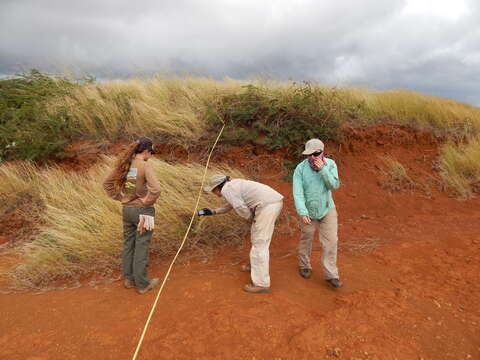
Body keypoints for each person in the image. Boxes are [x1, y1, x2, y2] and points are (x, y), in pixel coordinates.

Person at [199, 175, 283, 294]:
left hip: (267, 207)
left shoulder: (227, 189)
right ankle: (256, 267)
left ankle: (261, 284)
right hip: (269, 204)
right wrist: (213, 211)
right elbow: (232, 205)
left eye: (212, 190)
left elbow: (239, 207)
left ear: (217, 187)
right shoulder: (232, 185)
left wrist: (251, 218)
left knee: (260, 243)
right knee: (257, 239)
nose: (213, 192)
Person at [103, 137, 161, 295]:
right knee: (142, 245)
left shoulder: (125, 164)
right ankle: (142, 284)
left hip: (127, 211)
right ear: (146, 151)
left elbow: (107, 184)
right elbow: (156, 189)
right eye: (151, 152)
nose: (150, 155)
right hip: (143, 212)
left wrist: (120, 198)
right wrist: (147, 201)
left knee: (129, 244)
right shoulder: (144, 165)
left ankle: (129, 279)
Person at [292, 138, 343, 288]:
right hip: (307, 210)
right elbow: (298, 192)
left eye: (316, 154)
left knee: (331, 241)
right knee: (306, 237)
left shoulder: (331, 165)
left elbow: (334, 185)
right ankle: (304, 265)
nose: (312, 157)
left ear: (322, 152)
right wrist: (302, 212)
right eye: (309, 154)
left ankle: (332, 275)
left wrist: (323, 170)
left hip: (327, 208)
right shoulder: (300, 169)